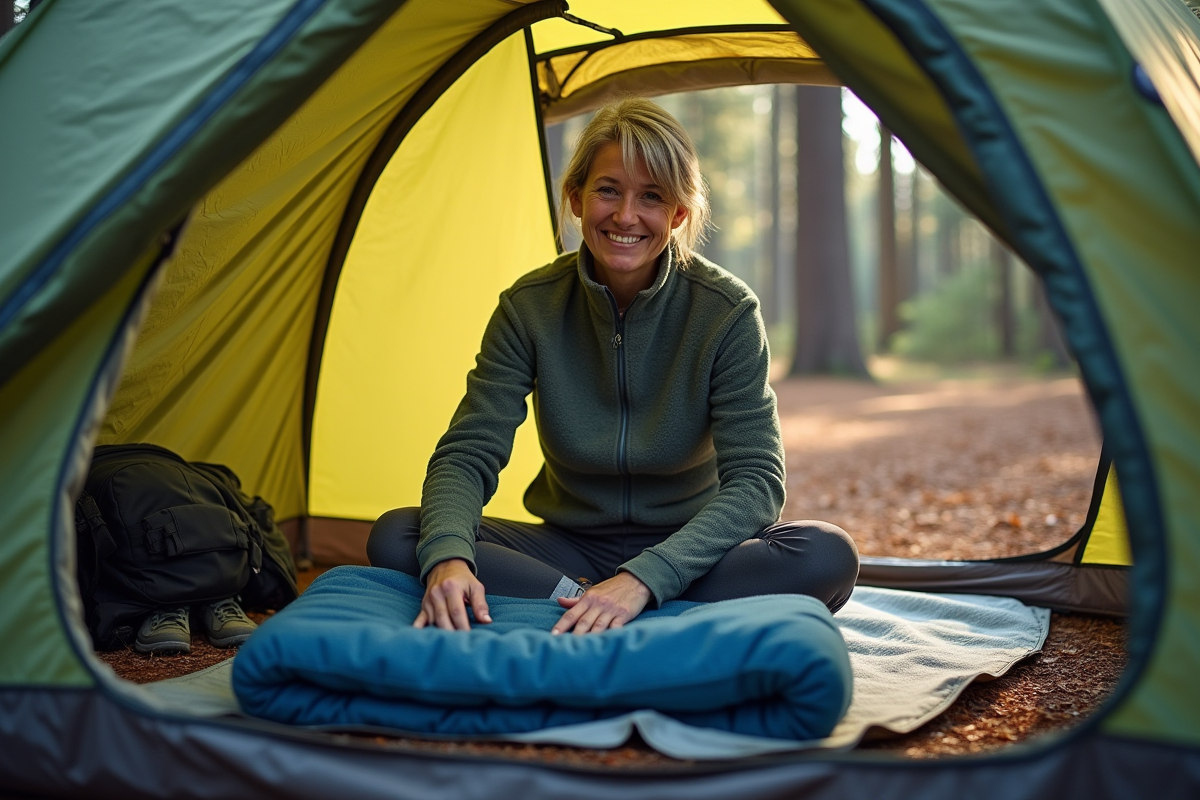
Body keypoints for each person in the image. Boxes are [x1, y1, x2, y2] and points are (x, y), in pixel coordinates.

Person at [367, 98, 858, 635]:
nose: (626, 215)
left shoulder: (726, 312)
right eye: (608, 190)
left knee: (824, 554)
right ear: (576, 198)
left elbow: (757, 482)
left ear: (677, 214)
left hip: (689, 554)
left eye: (651, 196)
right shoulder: (529, 308)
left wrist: (644, 578)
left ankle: (614, 603)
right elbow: (468, 453)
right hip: (565, 550)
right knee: (404, 536)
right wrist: (449, 560)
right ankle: (594, 604)